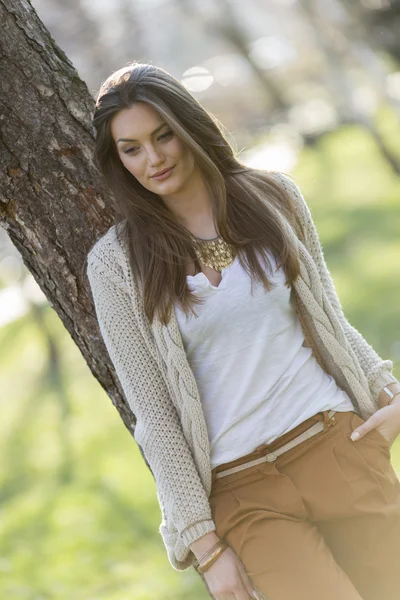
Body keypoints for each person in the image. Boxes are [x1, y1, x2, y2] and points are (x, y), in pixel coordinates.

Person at [86, 62, 400, 600]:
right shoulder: (116, 264)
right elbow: (155, 415)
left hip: (334, 442)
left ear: (189, 128)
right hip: (242, 491)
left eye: (163, 136)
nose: (153, 158)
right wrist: (203, 545)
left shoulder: (274, 196)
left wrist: (388, 393)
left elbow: (328, 317)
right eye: (131, 148)